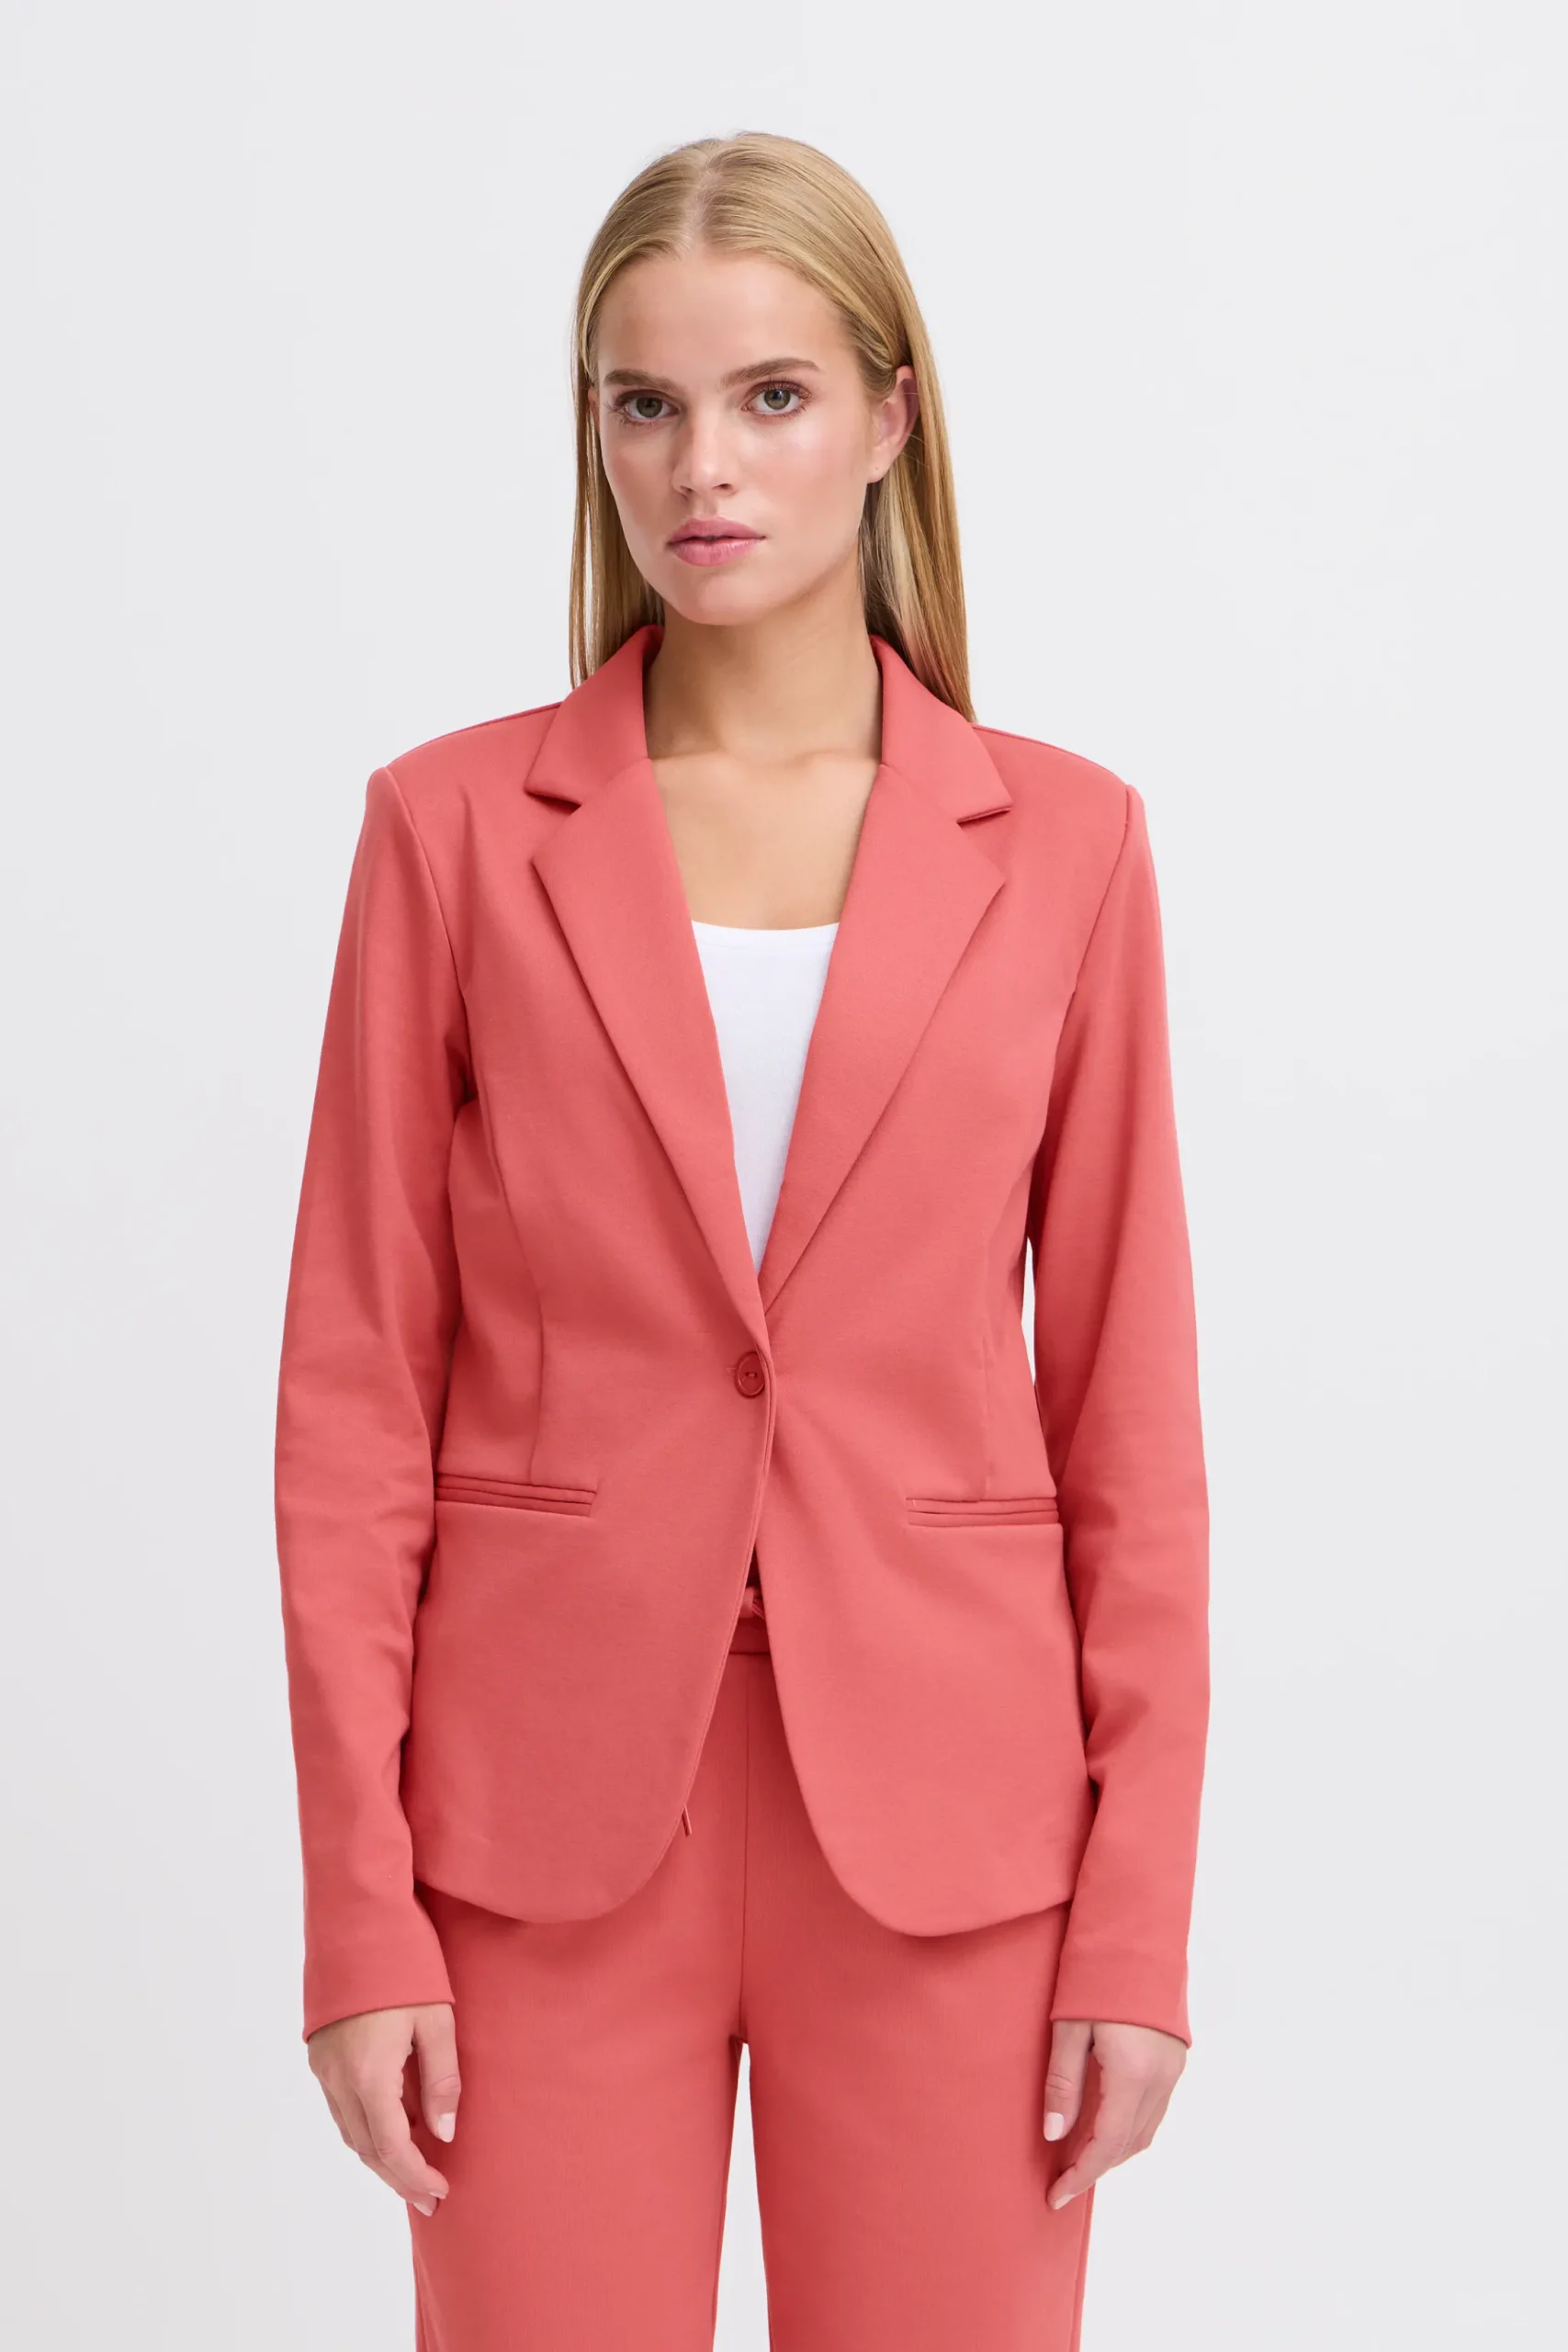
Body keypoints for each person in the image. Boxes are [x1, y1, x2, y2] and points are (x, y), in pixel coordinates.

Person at [274, 129, 1209, 2352]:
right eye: (646, 402)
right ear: (592, 431)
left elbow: (1129, 1414)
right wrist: (358, 1912)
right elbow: (352, 1401)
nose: (702, 465)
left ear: (891, 416)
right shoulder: (450, 830)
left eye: (771, 394)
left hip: (958, 1830)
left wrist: (1137, 1918)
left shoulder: (1066, 845)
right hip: (536, 1823)